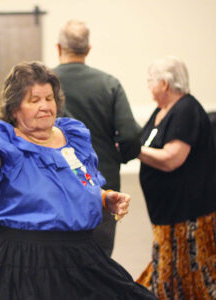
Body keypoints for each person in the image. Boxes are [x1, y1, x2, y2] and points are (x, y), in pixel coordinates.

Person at [0, 61, 156, 300]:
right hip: (20, 261)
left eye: (49, 98)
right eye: (34, 100)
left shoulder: (73, 135)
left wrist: (103, 197)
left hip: (79, 257)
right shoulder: (3, 139)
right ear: (14, 109)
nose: (45, 106)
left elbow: (82, 180)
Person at [136, 56, 216, 299]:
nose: (148, 85)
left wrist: (133, 151)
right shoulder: (162, 110)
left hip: (190, 211)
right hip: (169, 212)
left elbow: (172, 159)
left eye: (151, 80)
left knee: (193, 275)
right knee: (173, 276)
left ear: (165, 84)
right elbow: (145, 142)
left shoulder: (186, 110)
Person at [53, 20, 141, 256]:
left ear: (58, 47)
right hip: (104, 179)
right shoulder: (110, 84)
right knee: (99, 257)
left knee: (60, 257)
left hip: (57, 179)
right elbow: (131, 135)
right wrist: (119, 158)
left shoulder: (45, 85)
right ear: (88, 49)